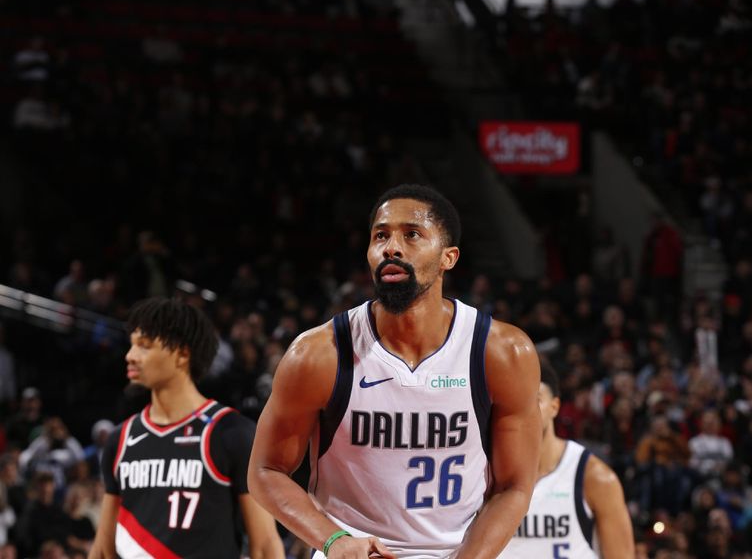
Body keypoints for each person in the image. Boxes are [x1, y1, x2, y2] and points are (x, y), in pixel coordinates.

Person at [248, 184, 542, 558]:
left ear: (448, 257)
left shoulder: (500, 352)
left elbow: (514, 486)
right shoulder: (318, 355)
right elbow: (265, 471)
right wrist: (334, 540)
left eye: (412, 234)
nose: (391, 247)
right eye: (380, 235)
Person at [88, 297, 284, 559]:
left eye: (144, 346)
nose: (130, 356)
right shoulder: (121, 438)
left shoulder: (231, 433)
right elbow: (103, 549)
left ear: (182, 353)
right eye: (132, 345)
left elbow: (265, 547)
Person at [500, 361, 634, 558]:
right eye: (516, 401)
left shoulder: (594, 477)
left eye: (534, 400)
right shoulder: (484, 472)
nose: (525, 410)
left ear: (555, 406)